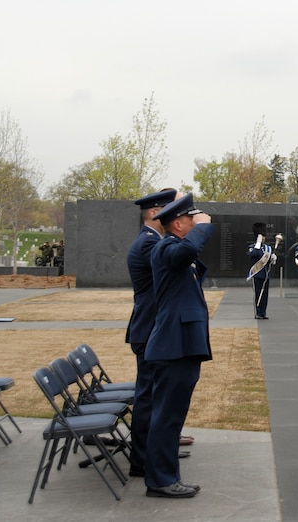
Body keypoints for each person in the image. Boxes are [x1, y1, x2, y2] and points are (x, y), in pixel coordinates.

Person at [144, 192, 213, 498]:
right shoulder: (165, 249)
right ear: (178, 225)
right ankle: (160, 479)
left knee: (173, 416)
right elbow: (185, 254)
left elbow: (191, 263)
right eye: (190, 218)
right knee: (167, 417)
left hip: (181, 345)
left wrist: (195, 232)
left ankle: (166, 474)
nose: (195, 221)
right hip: (173, 347)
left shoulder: (174, 249)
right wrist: (202, 228)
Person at [125, 189, 178, 480]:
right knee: (148, 397)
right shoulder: (148, 245)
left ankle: (156, 449)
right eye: (169, 211)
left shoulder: (152, 241)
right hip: (148, 329)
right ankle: (143, 459)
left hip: (150, 327)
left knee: (155, 395)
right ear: (155, 213)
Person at [248, 223, 278, 320]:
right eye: (261, 237)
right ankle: (257, 312)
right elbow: (254, 254)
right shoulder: (253, 246)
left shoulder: (267, 248)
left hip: (265, 274)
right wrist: (258, 243)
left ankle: (263, 312)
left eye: (264, 236)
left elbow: (269, 261)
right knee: (258, 294)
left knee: (265, 295)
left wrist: (273, 259)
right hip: (257, 273)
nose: (263, 238)